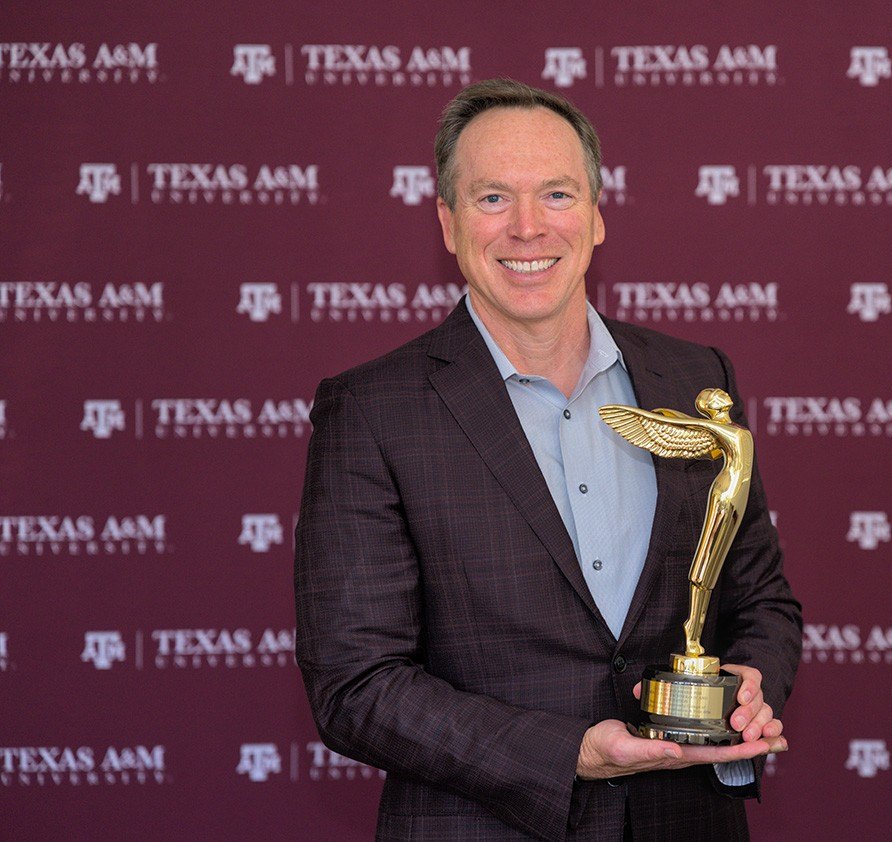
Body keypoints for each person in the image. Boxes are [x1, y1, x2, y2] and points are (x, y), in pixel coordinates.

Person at [295, 78, 802, 841]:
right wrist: (569, 753)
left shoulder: (696, 380)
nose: (528, 228)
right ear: (447, 222)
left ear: (597, 216)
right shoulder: (372, 410)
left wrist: (747, 683)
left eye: (557, 195)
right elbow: (357, 686)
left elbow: (761, 602)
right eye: (492, 198)